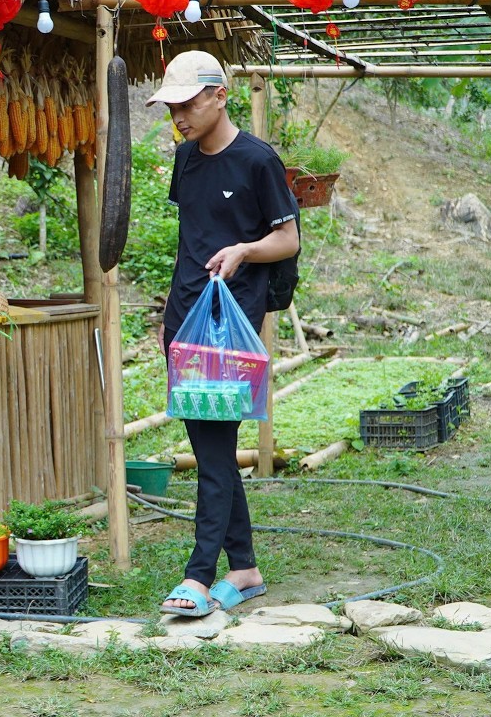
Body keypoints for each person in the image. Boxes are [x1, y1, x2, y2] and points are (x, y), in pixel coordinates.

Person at [146, 50, 300, 617]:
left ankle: (198, 576)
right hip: (183, 322)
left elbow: (288, 241)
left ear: (219, 95)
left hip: (232, 328)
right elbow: (190, 240)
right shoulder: (185, 159)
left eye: (188, 103)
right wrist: (171, 317)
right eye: (172, 107)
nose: (179, 116)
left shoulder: (258, 160)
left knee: (213, 455)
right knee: (210, 449)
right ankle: (246, 568)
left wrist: (244, 250)